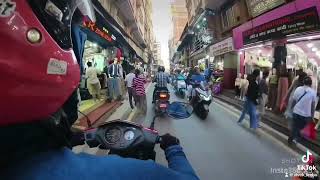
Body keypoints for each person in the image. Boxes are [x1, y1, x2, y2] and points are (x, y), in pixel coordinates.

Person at [288, 76, 317, 145]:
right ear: (311, 84)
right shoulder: (313, 92)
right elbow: (312, 106)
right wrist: (312, 116)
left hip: (296, 111)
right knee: (301, 128)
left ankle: (292, 137)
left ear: (303, 82)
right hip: (306, 115)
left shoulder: (298, 89)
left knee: (295, 126)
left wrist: (291, 108)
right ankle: (296, 139)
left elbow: (294, 101)